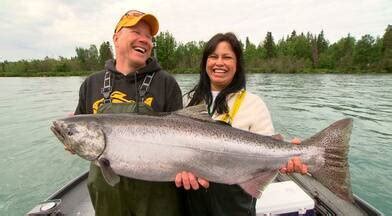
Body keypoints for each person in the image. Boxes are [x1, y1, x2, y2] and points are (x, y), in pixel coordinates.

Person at [176, 32, 307, 216]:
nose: (219, 63)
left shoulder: (254, 104)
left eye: (227, 57)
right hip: (192, 204)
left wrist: (289, 158)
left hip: (236, 208)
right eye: (213, 57)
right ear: (205, 62)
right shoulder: (187, 101)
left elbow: (269, 156)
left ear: (237, 65)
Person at [72, 10, 184, 216]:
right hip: (108, 201)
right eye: (136, 32)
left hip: (157, 201)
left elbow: (185, 139)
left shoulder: (166, 83)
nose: (145, 40)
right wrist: (71, 141)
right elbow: (78, 131)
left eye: (149, 37)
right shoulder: (91, 84)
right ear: (116, 38)